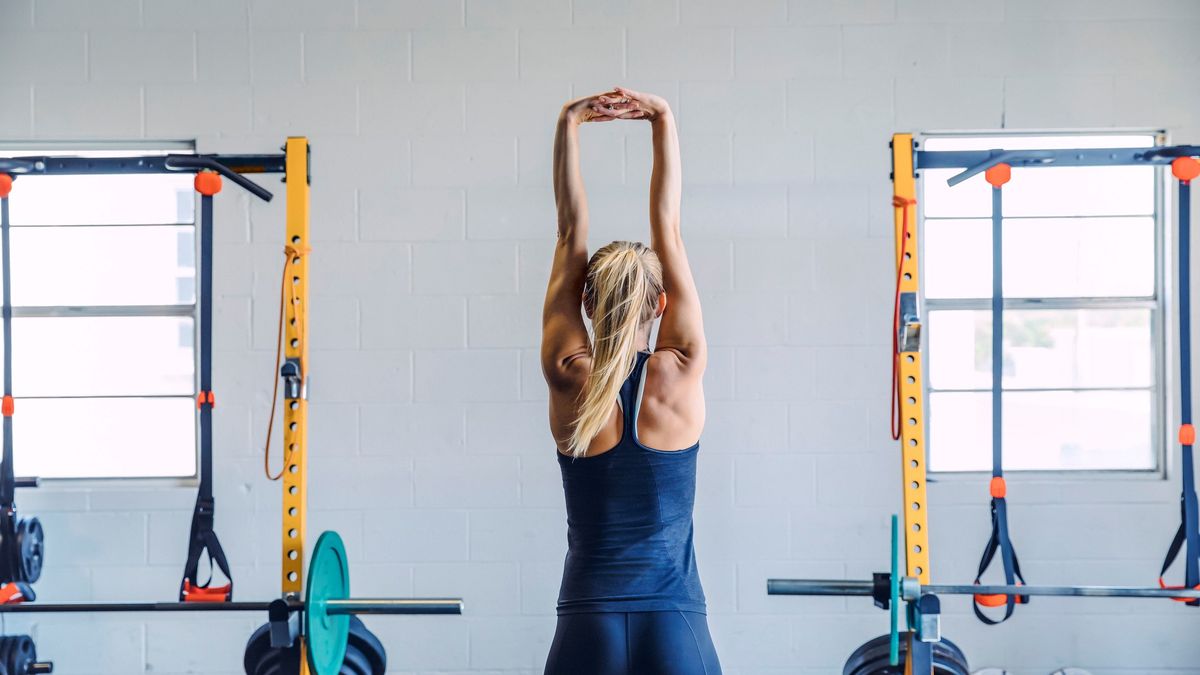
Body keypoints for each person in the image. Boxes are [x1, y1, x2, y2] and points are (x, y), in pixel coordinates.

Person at [540, 87, 720, 675]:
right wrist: (662, 117)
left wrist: (571, 123)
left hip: (586, 623)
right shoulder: (681, 367)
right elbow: (668, 225)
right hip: (674, 622)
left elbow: (571, 233)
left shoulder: (569, 375)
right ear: (662, 301)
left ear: (586, 300)